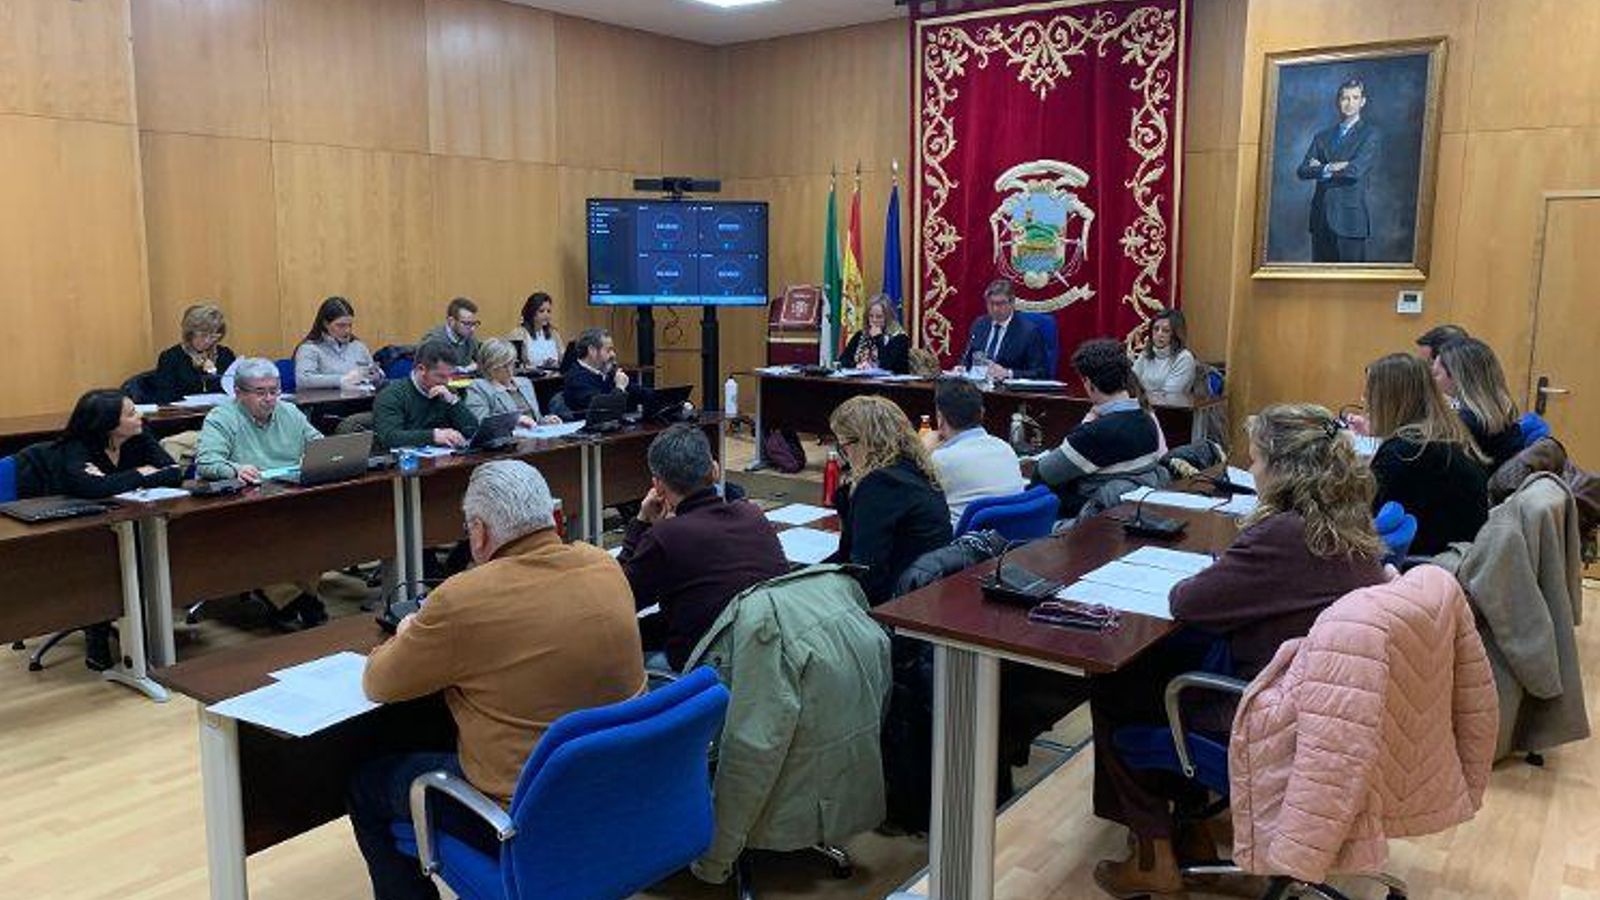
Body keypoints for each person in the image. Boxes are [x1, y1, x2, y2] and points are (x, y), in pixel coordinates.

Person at [1089, 404, 1386, 896]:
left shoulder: (1285, 534)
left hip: (1267, 711)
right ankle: (1193, 832)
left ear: (1284, 469)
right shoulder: (1348, 522)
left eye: (1258, 459)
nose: (1252, 470)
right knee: (1169, 662)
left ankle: (1153, 854)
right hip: (1323, 706)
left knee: (1117, 679)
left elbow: (1187, 601)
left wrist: (1229, 566)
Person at [350, 460, 645, 900]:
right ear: (555, 518)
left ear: (481, 532)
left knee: (367, 783)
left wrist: (410, 631)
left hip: (522, 813)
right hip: (613, 788)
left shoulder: (463, 599)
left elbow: (378, 683)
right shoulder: (603, 564)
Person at [619, 425, 788, 670]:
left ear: (658, 486)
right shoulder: (752, 513)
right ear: (715, 470)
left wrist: (641, 524)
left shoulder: (664, 536)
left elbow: (619, 602)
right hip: (769, 651)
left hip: (711, 668)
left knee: (615, 654)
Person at [54, 389, 184, 670]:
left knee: (153, 550)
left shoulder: (140, 436)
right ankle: (96, 634)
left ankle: (146, 632)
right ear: (108, 423)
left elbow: (174, 473)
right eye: (131, 413)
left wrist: (115, 481)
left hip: (135, 521)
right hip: (81, 532)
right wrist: (141, 474)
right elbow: (91, 488)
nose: (141, 416)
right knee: (102, 564)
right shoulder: (76, 447)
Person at [194, 357, 330, 626]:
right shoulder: (222, 417)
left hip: (290, 494)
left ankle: (299, 597)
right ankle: (292, 599)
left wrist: (316, 458)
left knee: (320, 530)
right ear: (239, 393)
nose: (269, 398)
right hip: (246, 503)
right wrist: (234, 469)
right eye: (260, 392)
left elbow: (319, 444)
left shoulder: (289, 412)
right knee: (263, 537)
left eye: (274, 390)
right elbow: (207, 461)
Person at [826, 395, 951, 606]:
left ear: (863, 443)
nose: (841, 458)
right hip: (924, 598)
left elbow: (865, 571)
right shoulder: (917, 471)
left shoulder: (880, 484)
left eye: (843, 446)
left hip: (891, 606)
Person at [1364, 353, 1489, 555]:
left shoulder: (1403, 453)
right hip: (1460, 556)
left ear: (1389, 399)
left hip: (1425, 563)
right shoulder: (1446, 437)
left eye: (1369, 394)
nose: (1365, 401)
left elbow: (1371, 523)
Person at [1024, 339, 1163, 517]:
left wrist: (1087, 425)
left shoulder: (1094, 433)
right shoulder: (1147, 420)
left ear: (1089, 383)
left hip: (1084, 521)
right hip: (1127, 515)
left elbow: (1043, 474)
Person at [1296, 77, 1380, 263]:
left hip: (1350, 222)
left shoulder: (1370, 134)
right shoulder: (1322, 137)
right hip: (1320, 220)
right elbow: (1302, 171)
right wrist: (1331, 167)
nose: (1349, 103)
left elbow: (1354, 171)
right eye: (1345, 98)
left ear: (1362, 102)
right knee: (1319, 287)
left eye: (1355, 98)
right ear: (1337, 101)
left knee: (1352, 288)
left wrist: (1320, 169)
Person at [925, 378, 1026, 529]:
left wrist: (923, 450)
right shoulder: (1005, 448)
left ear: (940, 419)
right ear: (982, 413)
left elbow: (911, 501)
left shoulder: (941, 459)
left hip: (960, 546)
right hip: (1010, 542)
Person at [1434, 337, 1523, 470]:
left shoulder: (1465, 423)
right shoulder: (1502, 412)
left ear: (1457, 377)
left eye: (1436, 374)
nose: (1432, 380)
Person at [372, 341, 480, 451]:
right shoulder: (392, 395)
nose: (447, 382)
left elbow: (473, 431)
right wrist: (433, 436)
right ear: (421, 369)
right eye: (440, 376)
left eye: (450, 376)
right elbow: (389, 437)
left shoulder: (447, 392)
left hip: (445, 460)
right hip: (407, 463)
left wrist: (454, 402)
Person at [957, 279, 1050, 380]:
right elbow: (967, 358)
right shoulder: (980, 324)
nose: (995, 309)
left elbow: (1041, 373)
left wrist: (1008, 373)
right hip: (977, 388)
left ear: (1012, 303)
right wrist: (961, 368)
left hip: (1008, 392)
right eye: (991, 303)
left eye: (1001, 303)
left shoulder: (1029, 332)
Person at [463, 339, 559, 428]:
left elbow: (534, 420)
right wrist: (514, 420)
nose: (510, 370)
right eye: (504, 366)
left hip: (534, 438)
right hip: (507, 442)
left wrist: (544, 422)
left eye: (512, 363)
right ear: (489, 366)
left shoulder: (525, 383)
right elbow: (481, 423)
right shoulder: (478, 387)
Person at [152, 302, 237, 403]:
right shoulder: (170, 358)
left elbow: (236, 390)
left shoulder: (225, 355)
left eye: (213, 336)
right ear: (190, 333)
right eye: (203, 335)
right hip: (185, 416)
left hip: (222, 414)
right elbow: (164, 398)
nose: (208, 341)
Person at [293, 295, 382, 390]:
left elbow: (372, 370)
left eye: (349, 325)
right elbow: (303, 380)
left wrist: (377, 375)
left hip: (362, 398)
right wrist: (342, 379)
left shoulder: (358, 346)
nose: (347, 330)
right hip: (326, 402)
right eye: (341, 325)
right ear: (325, 324)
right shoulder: (309, 348)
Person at [560, 327, 645, 414]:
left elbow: (638, 394)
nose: (613, 354)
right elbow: (603, 410)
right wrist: (620, 388)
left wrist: (657, 397)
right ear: (592, 350)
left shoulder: (605, 372)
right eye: (608, 350)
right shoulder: (576, 378)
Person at [841, 293, 911, 374]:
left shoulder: (899, 338)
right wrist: (858, 365)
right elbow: (843, 361)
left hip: (890, 385)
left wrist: (878, 338)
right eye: (871, 316)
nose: (874, 320)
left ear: (888, 318)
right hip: (861, 382)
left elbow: (886, 365)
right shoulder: (860, 335)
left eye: (879, 317)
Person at [1132, 308, 1197, 395]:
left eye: (1166, 331)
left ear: (1175, 334)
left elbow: (1168, 394)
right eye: (1156, 329)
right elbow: (1131, 382)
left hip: (1170, 407)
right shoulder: (1146, 353)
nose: (1159, 334)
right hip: (1144, 405)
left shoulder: (1184, 358)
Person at [418, 296, 482, 371]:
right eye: (466, 323)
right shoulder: (434, 341)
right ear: (451, 321)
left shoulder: (470, 337)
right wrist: (464, 369)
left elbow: (482, 362)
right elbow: (430, 373)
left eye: (474, 323)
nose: (472, 328)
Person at [505, 291, 563, 370]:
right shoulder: (518, 334)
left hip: (555, 378)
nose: (546, 315)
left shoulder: (554, 333)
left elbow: (563, 359)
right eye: (541, 311)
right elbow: (512, 364)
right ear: (531, 312)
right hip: (531, 379)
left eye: (548, 311)